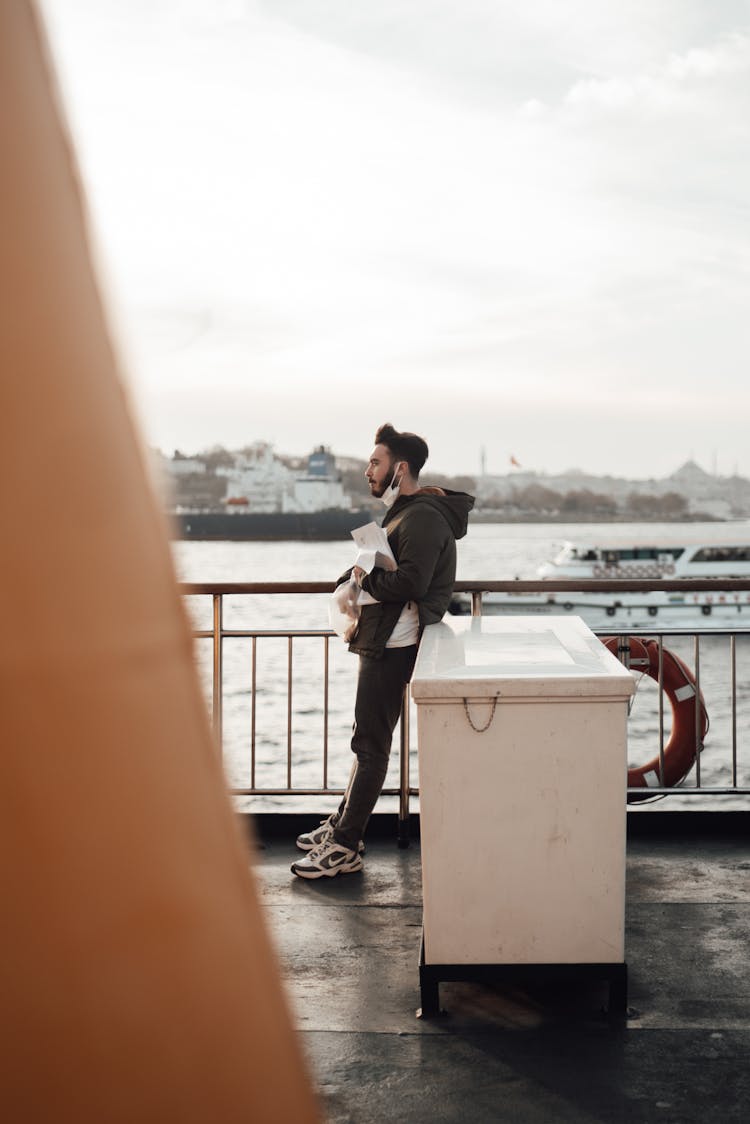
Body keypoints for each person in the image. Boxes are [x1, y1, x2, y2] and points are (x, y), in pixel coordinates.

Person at [291, 423, 474, 879]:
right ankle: (340, 827)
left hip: (395, 642)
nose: (368, 471)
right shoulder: (404, 514)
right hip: (382, 637)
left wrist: (363, 580)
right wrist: (353, 576)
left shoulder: (424, 517)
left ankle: (346, 845)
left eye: (375, 463)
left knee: (371, 746)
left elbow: (410, 581)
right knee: (366, 741)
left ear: (401, 467)